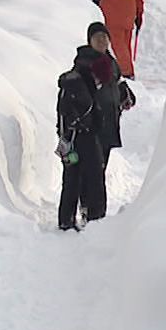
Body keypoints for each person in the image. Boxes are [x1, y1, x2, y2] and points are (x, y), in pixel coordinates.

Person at [57, 23, 120, 230]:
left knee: (95, 170)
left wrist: (122, 97)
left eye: (105, 37)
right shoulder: (86, 64)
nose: (102, 41)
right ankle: (91, 215)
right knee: (88, 172)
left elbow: (112, 88)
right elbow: (86, 95)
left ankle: (85, 213)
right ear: (89, 41)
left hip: (107, 126)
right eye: (97, 37)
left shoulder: (110, 63)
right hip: (88, 128)